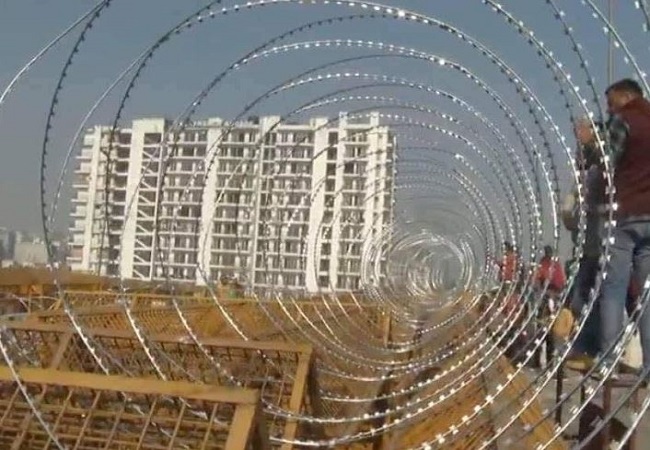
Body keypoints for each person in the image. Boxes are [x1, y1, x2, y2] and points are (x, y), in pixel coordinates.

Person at [574, 78, 650, 380]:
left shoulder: (625, 120)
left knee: (613, 289)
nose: (608, 108)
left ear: (626, 95)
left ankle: (607, 361)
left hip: (625, 216)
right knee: (645, 295)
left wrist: (588, 144)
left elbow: (607, 163)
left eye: (611, 100)